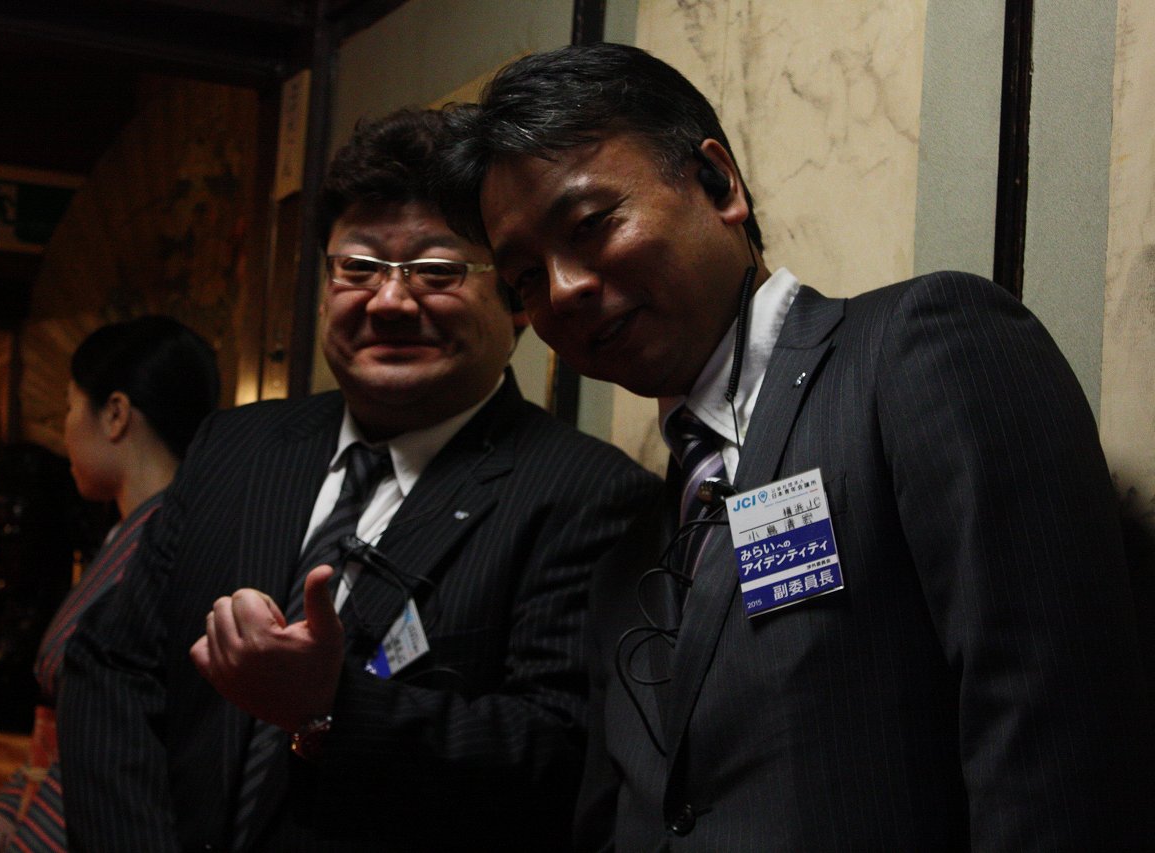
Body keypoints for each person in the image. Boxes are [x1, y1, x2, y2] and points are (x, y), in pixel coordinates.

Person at [438, 42, 1155, 851]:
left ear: (719, 183)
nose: (563, 290)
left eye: (591, 225)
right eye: (526, 278)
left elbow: (1054, 731)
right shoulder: (629, 555)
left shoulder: (919, 353)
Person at [57, 108, 660, 852]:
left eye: (436, 271)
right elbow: (110, 666)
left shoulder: (587, 497)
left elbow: (557, 754)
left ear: (515, 299)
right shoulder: (236, 447)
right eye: (360, 268)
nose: (390, 301)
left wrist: (332, 706)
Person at [0, 316, 220, 853]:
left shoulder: (167, 545)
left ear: (116, 414)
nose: (65, 430)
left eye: (70, 408)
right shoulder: (134, 533)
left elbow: (120, 740)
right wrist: (8, 815)